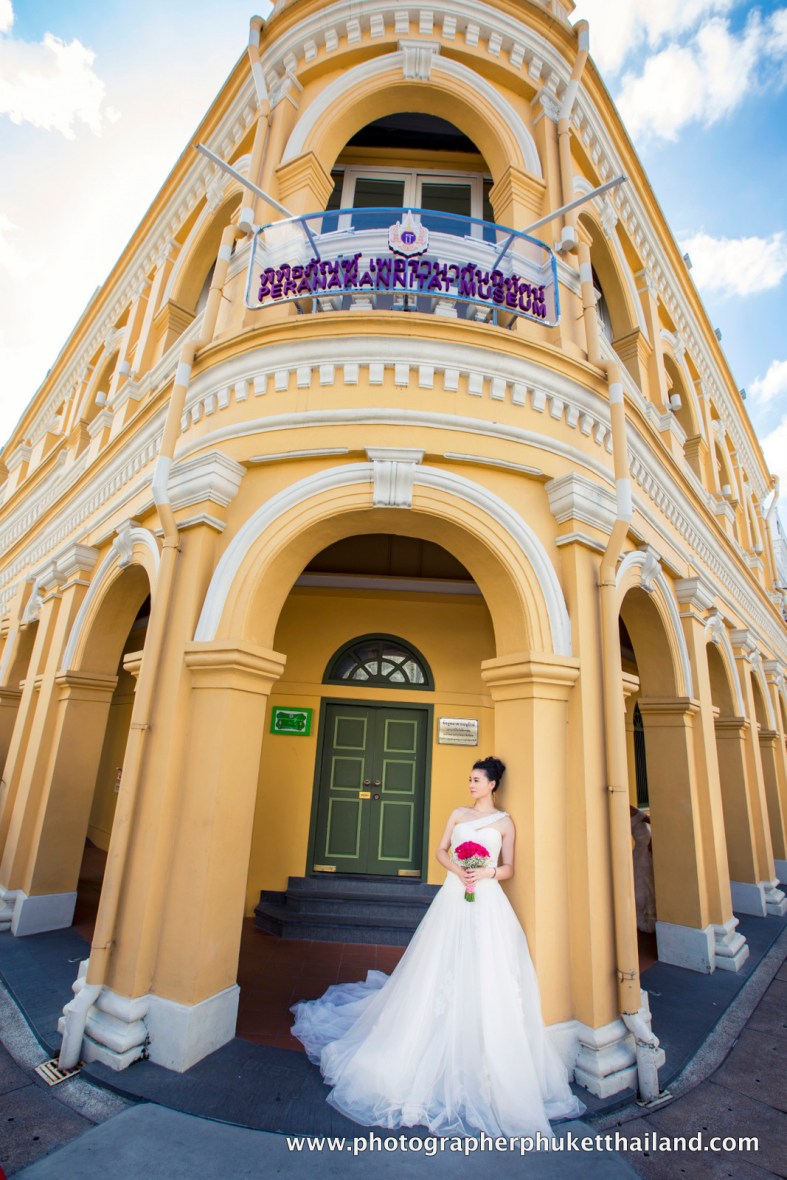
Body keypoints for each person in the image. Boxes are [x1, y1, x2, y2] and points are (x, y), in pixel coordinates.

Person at [290, 756, 586, 1138]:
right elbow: (441, 850)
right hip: (454, 894)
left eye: (477, 780)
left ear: (493, 784)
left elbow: (510, 867)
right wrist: (458, 869)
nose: (472, 784)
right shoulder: (459, 814)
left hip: (488, 899)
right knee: (439, 963)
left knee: (488, 970)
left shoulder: (505, 823)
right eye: (470, 779)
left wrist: (487, 871)